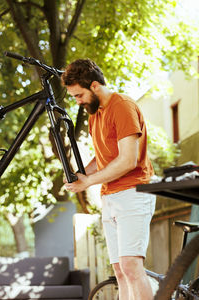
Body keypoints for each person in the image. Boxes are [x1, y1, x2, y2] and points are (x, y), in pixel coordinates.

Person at [61, 59, 156, 300]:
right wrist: (81, 174)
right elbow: (104, 156)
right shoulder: (96, 115)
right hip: (110, 196)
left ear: (94, 86)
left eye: (79, 95)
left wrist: (88, 182)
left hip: (135, 192)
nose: (78, 101)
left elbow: (127, 160)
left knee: (132, 267)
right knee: (120, 271)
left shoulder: (121, 106)